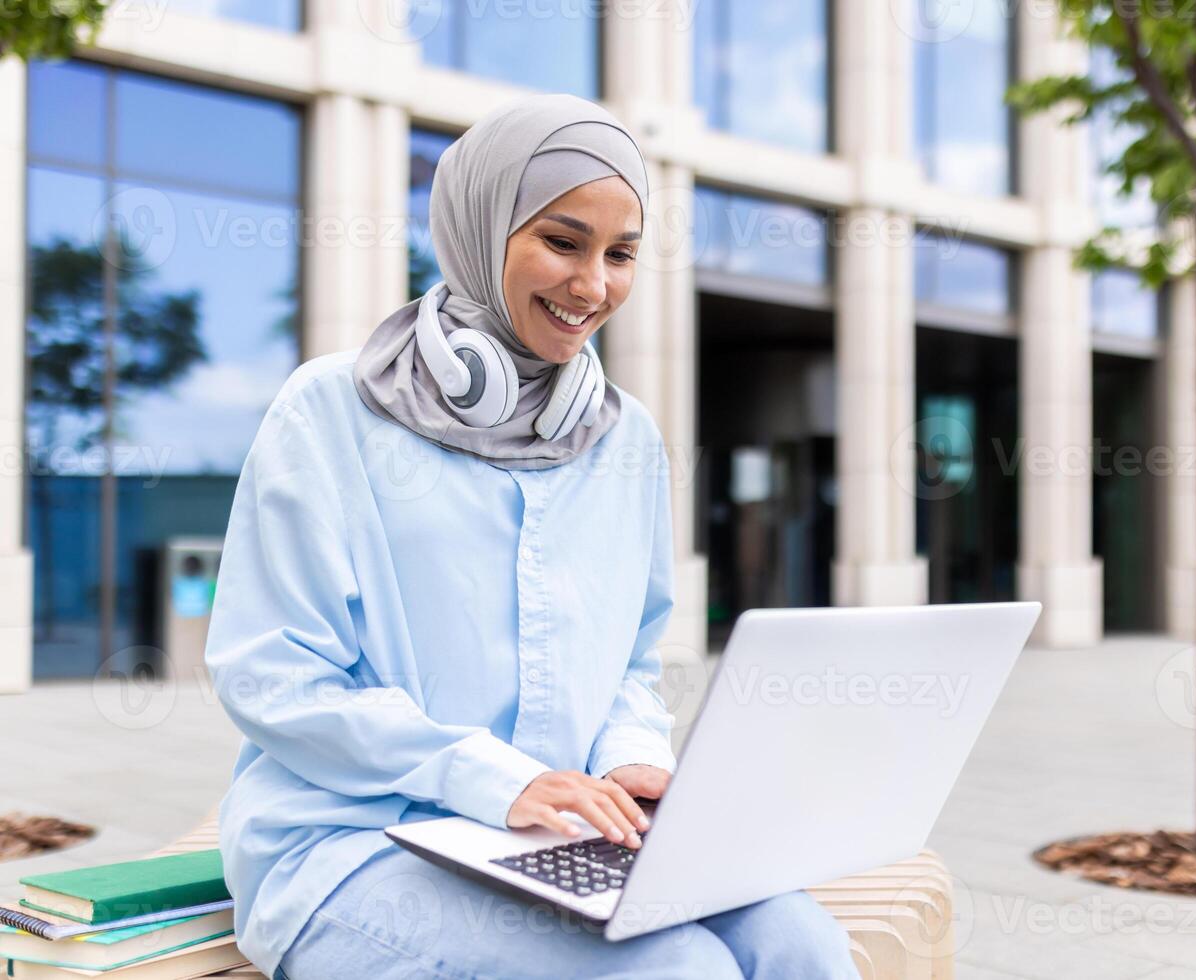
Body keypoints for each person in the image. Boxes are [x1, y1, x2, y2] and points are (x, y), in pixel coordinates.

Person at [203, 93, 858, 979]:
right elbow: (273, 675)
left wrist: (632, 763)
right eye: (562, 241)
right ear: (481, 229)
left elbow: (631, 661)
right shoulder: (328, 411)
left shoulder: (623, 438)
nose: (593, 286)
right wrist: (492, 780)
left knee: (803, 946)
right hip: (355, 844)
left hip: (562, 838)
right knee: (676, 971)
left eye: (621, 254)